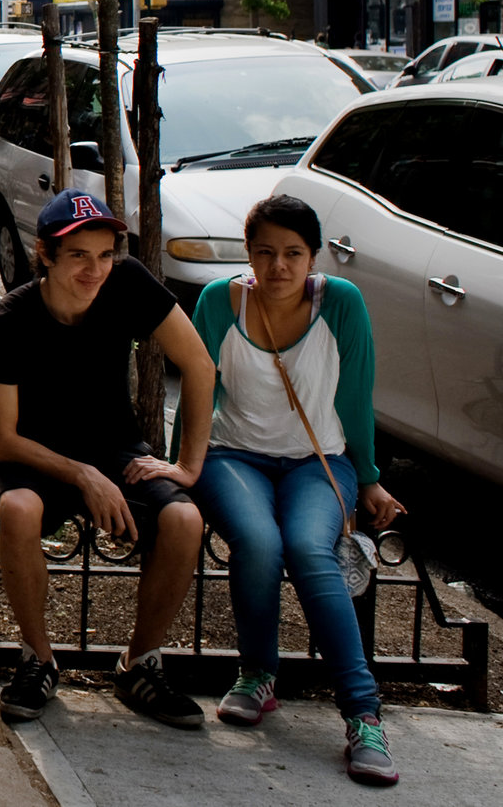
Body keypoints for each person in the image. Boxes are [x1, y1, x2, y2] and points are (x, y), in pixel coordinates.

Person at [0, 189, 214, 729]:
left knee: (183, 518)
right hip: (36, 455)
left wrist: (188, 466)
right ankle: (38, 660)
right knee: (17, 511)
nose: (95, 269)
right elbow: (3, 440)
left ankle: (140, 664)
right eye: (79, 255)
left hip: (116, 449)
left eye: (105, 254)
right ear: (46, 254)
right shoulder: (6, 323)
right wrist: (83, 475)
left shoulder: (125, 284)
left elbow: (199, 364)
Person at [190, 195, 404, 785]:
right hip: (235, 457)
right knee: (258, 542)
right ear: (248, 254)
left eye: (293, 254)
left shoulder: (342, 304)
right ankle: (257, 674)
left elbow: (356, 399)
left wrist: (369, 479)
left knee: (310, 550)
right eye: (265, 253)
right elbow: (200, 391)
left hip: (319, 461)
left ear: (314, 258)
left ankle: (363, 715)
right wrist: (184, 464)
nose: (278, 267)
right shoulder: (220, 301)